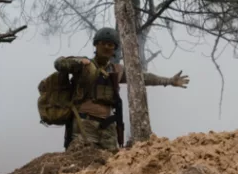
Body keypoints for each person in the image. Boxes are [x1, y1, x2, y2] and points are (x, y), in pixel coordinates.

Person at [55, 27, 189, 151]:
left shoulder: (117, 70)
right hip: (84, 123)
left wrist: (169, 81)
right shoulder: (84, 65)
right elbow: (59, 63)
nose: (107, 47)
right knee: (83, 159)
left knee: (111, 162)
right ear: (96, 44)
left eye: (111, 45)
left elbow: (143, 78)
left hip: (107, 125)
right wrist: (77, 62)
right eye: (104, 43)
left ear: (115, 49)